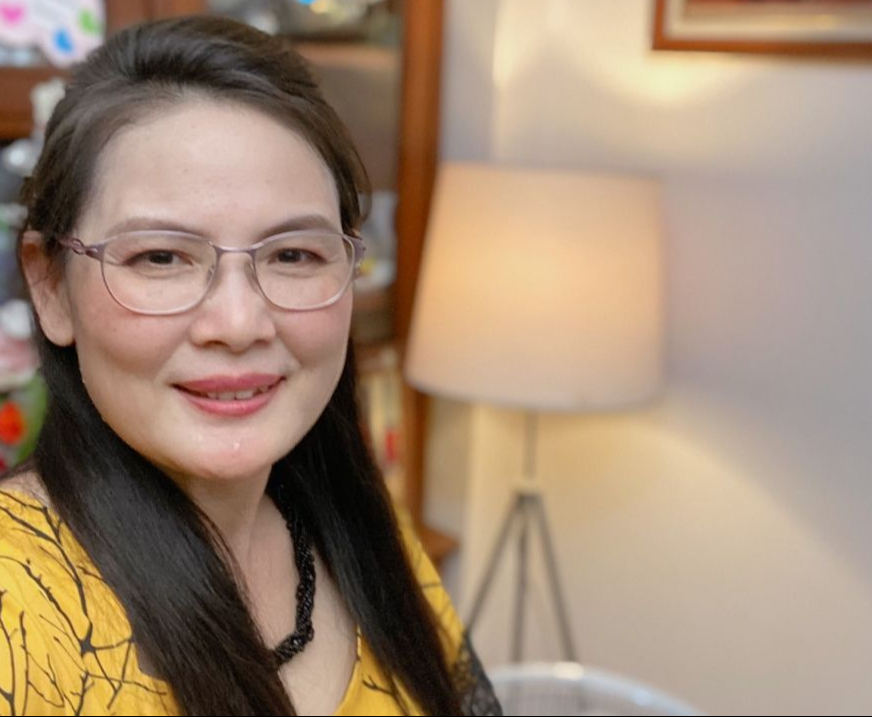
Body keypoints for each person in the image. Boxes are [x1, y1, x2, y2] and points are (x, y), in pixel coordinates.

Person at [0, 15, 501, 716]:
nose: (238, 325)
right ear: (50, 285)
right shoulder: (19, 608)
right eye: (161, 258)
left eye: (293, 255)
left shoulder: (362, 534)